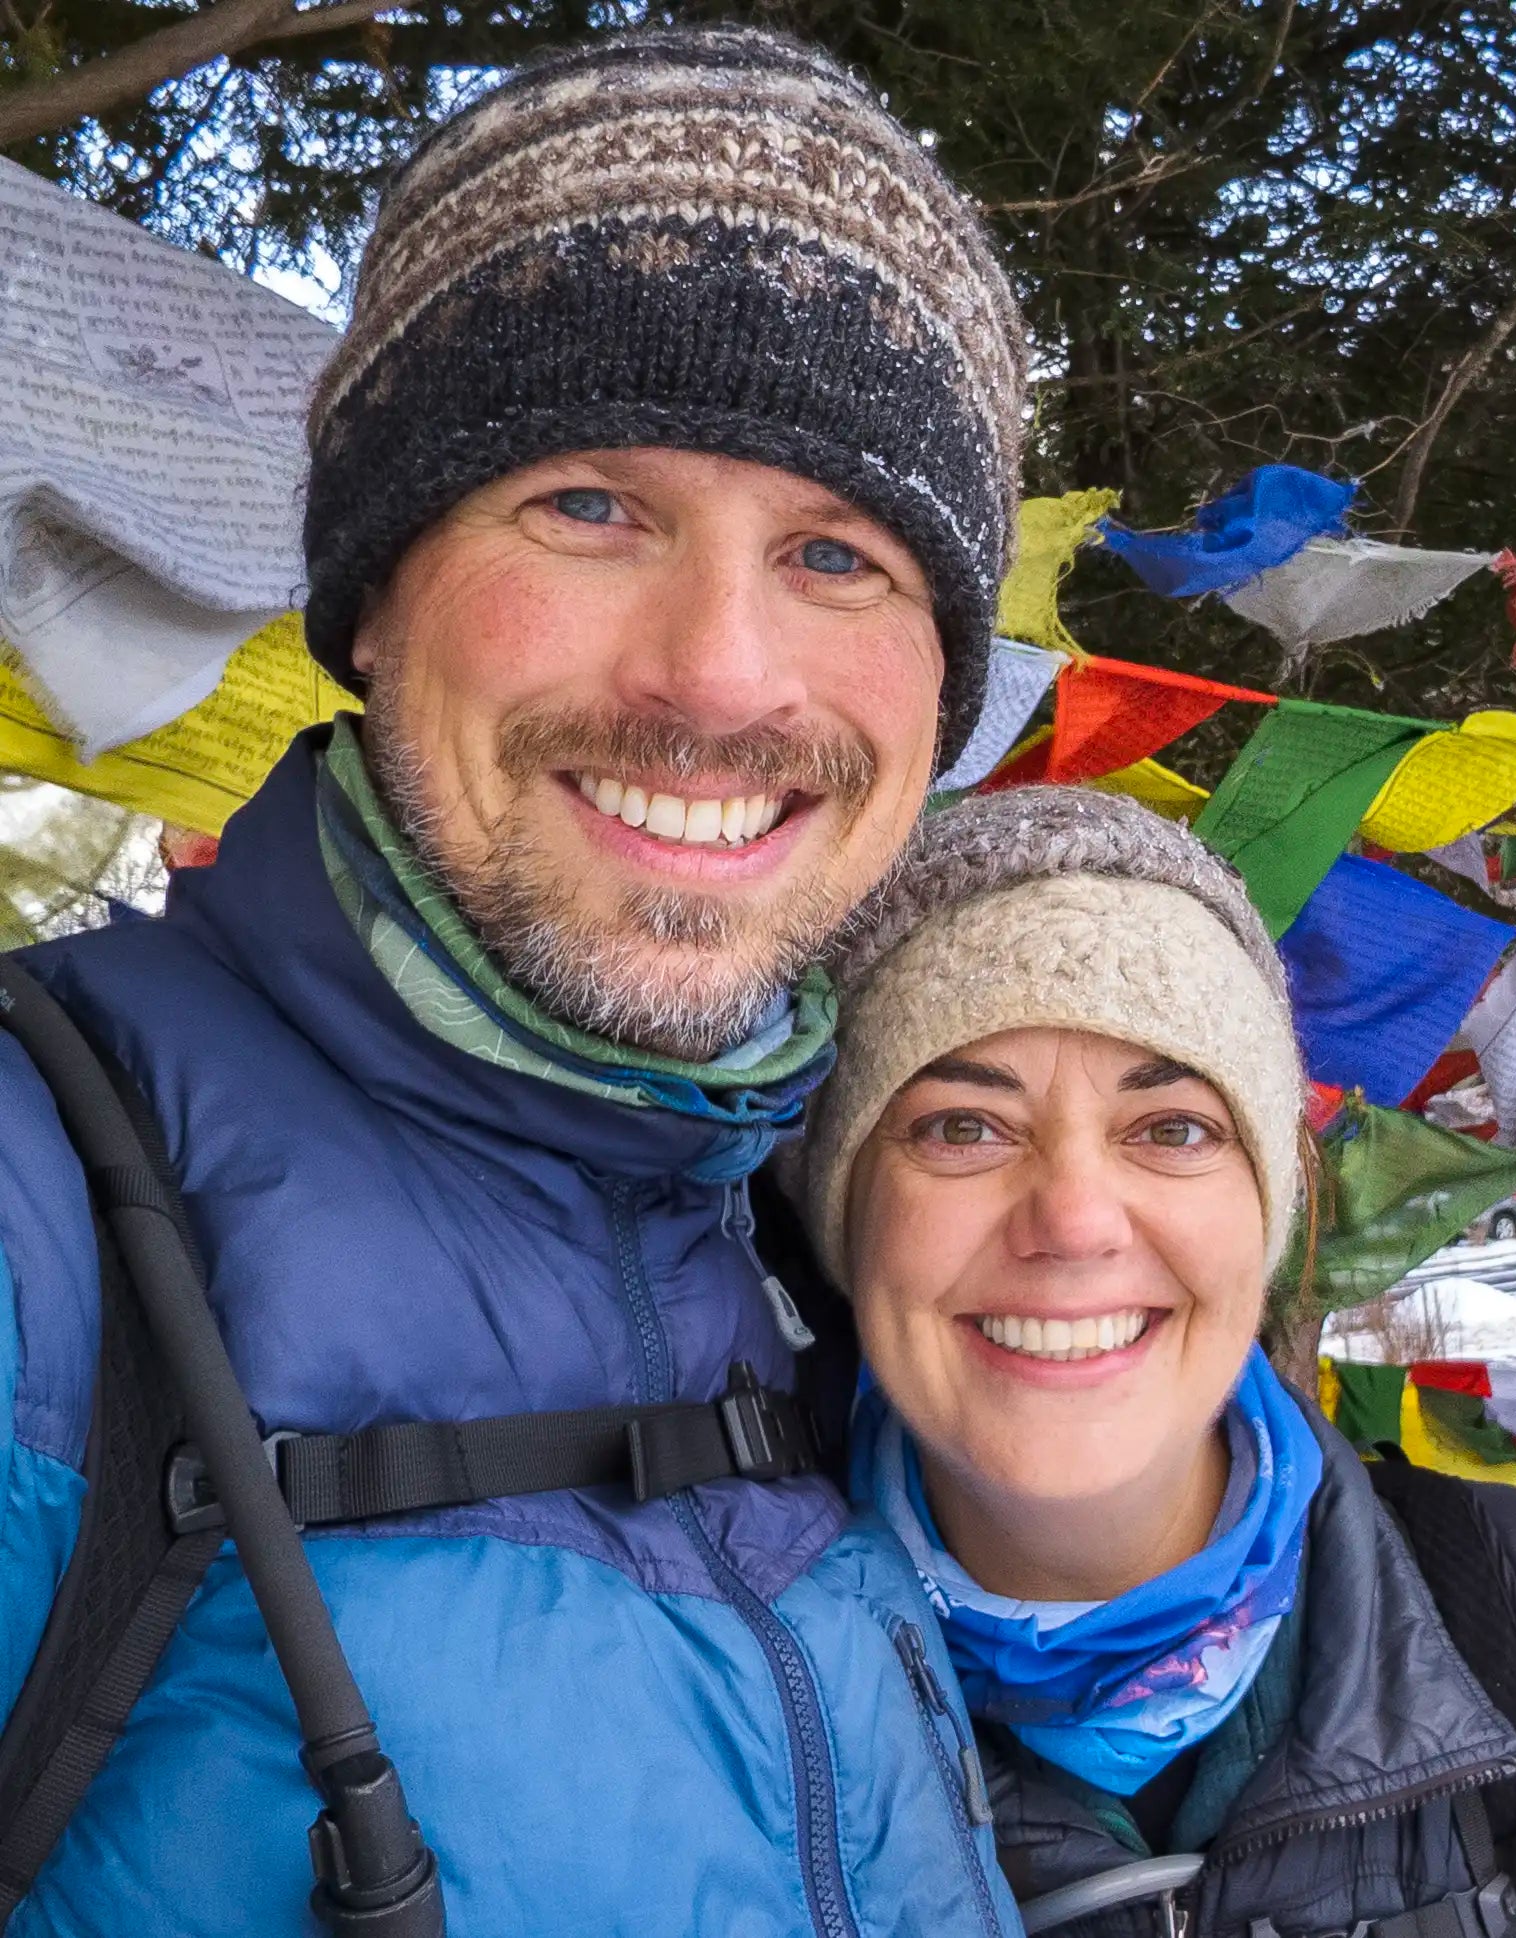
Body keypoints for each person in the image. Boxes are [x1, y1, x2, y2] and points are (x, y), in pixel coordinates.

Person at [0, 24, 1034, 1932]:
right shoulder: (36, 1210)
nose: (720, 677)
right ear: (374, 595)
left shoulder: (830, 1232)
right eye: (588, 505)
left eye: (837, 551)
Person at [799, 786, 1516, 1938]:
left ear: (1271, 1219)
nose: (1073, 1218)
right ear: (844, 1215)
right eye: (963, 1126)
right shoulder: (703, 1701)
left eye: (1172, 1129)